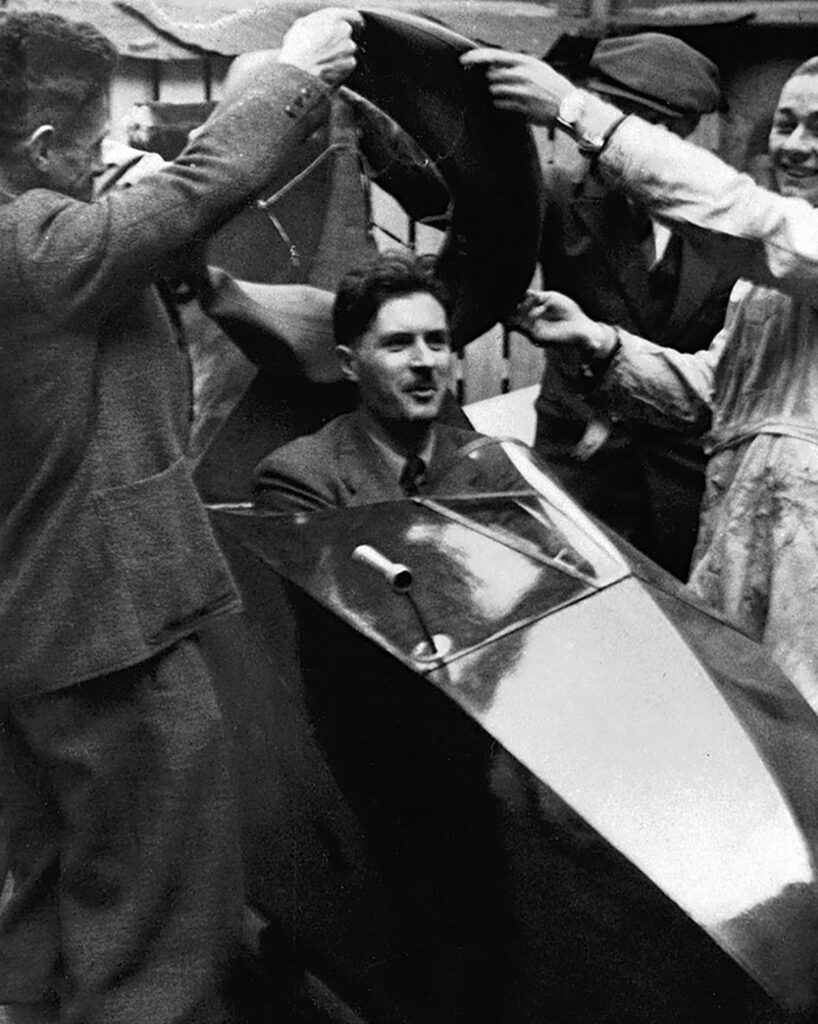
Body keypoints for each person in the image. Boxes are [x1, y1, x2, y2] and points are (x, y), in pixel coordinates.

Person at [464, 46, 818, 873]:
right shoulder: (767, 285)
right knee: (749, 739)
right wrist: (599, 344)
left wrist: (579, 112)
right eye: (784, 123)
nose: (794, 145)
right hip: (741, 520)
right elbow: (710, 396)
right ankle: (767, 944)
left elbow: (755, 221)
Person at [0, 9, 361, 1023]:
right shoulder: (33, 247)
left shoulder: (39, 248)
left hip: (33, 632)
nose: (107, 158)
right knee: (162, 924)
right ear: (36, 150)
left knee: (51, 897)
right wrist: (292, 79)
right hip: (107, 628)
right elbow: (198, 187)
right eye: (88, 142)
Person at [535, 34, 738, 578]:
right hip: (580, 468)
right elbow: (453, 203)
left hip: (683, 484)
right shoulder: (558, 194)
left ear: (674, 132)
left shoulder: (727, 218)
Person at [253, 251, 481, 511]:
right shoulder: (300, 477)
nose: (426, 361)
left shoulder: (494, 464)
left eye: (436, 342)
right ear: (350, 364)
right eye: (398, 344)